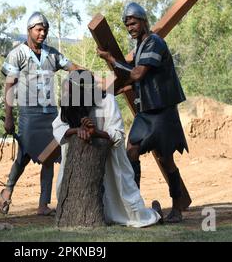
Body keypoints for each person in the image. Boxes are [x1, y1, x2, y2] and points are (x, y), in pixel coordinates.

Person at [96, 2, 189, 223]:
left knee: (167, 161)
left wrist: (113, 61)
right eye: (128, 25)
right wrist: (117, 89)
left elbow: (138, 74)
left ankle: (177, 208)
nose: (130, 28)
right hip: (146, 112)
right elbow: (139, 80)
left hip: (162, 111)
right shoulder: (140, 47)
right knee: (131, 152)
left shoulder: (154, 42)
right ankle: (134, 204)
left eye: (134, 23)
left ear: (144, 21)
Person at [52, 70, 163, 228]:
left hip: (110, 163)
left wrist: (96, 132)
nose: (66, 90)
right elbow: (58, 127)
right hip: (79, 167)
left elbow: (117, 134)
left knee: (132, 214)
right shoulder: (69, 101)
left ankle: (155, 212)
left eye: (70, 87)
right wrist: (77, 131)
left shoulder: (107, 100)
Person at [0, 12, 81, 216]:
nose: (42, 33)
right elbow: (10, 85)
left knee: (50, 156)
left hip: (50, 114)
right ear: (29, 30)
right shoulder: (18, 54)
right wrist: (9, 116)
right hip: (29, 114)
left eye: (45, 30)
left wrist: (90, 76)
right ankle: (7, 190)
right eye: (39, 29)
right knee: (24, 155)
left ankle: (43, 204)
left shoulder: (52, 54)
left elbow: (73, 67)